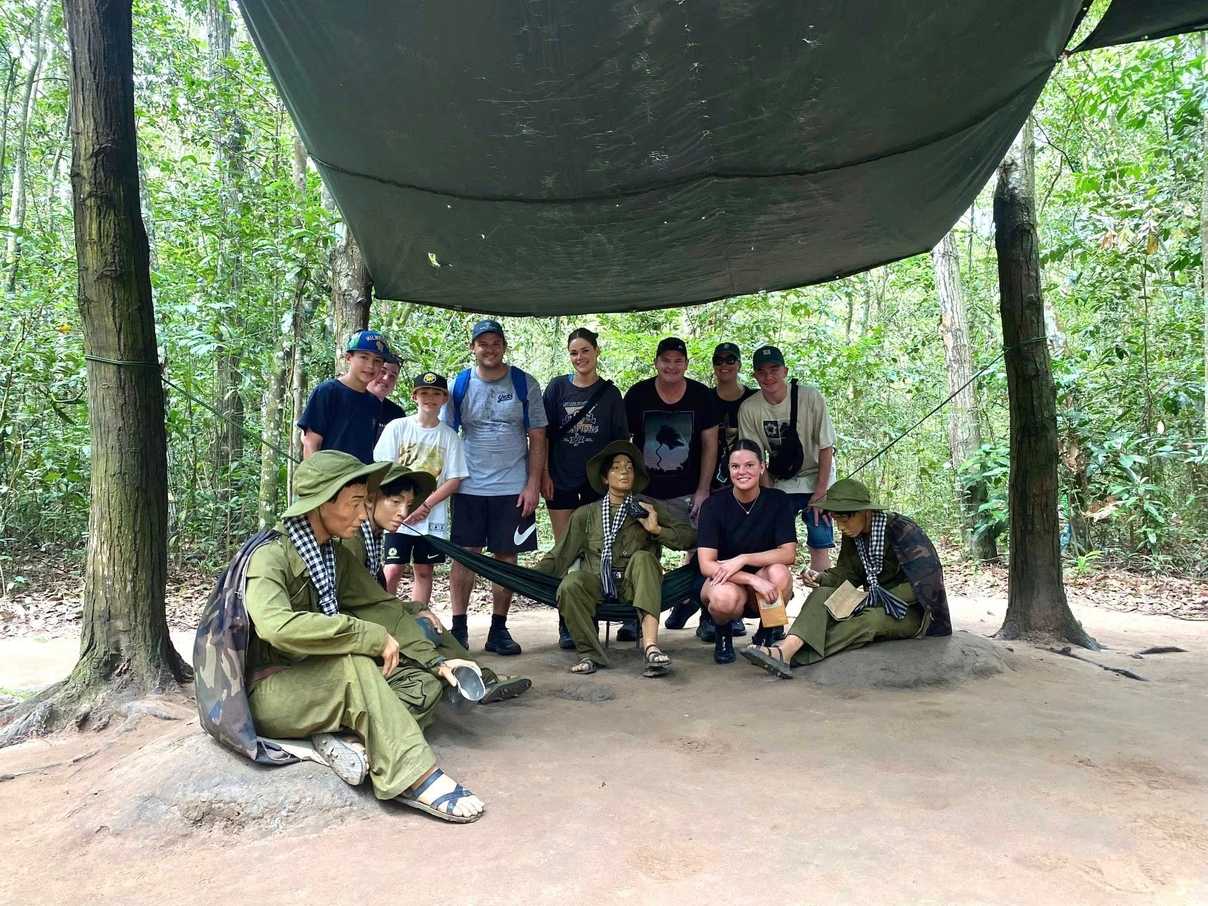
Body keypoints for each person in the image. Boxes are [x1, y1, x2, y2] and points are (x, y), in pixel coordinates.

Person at [243, 450, 486, 822]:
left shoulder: (333, 556)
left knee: (422, 686)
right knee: (354, 664)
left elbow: (382, 607)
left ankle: (351, 743)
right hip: (275, 692)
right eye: (355, 503)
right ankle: (414, 777)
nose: (362, 513)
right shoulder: (269, 557)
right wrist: (364, 635)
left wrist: (435, 662)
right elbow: (277, 627)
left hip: (324, 682)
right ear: (321, 502)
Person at [344, 462, 532, 705]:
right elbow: (368, 604)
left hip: (369, 620)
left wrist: (417, 608)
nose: (403, 512)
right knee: (423, 630)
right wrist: (412, 612)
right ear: (370, 500)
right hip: (358, 631)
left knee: (432, 624)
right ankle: (466, 679)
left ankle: (478, 678)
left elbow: (374, 600)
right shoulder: (353, 541)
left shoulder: (371, 536)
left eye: (408, 505)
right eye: (395, 502)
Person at [741, 478, 953, 679]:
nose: (841, 526)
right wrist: (821, 578)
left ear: (866, 512)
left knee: (870, 619)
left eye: (845, 519)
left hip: (910, 610)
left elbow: (927, 586)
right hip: (871, 598)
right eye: (836, 520)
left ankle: (795, 656)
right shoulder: (855, 533)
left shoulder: (903, 531)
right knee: (823, 594)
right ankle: (785, 651)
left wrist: (869, 598)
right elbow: (848, 574)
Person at [535, 440, 695, 677]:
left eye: (629, 467)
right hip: (598, 586)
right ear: (604, 478)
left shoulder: (647, 507)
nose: (624, 472)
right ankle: (589, 654)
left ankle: (651, 648)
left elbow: (690, 538)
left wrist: (656, 530)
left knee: (643, 558)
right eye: (617, 467)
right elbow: (559, 556)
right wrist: (524, 578)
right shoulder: (585, 515)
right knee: (571, 583)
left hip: (636, 587)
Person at [444, 319, 548, 656]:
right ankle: (458, 629)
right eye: (482, 343)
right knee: (465, 556)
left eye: (495, 342)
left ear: (504, 346)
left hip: (512, 487)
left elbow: (538, 437)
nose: (489, 349)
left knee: (506, 557)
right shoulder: (459, 384)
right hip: (469, 485)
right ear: (473, 347)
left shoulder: (523, 383)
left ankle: (498, 629)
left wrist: (533, 485)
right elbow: (445, 436)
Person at [623, 336, 719, 642]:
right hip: (645, 491)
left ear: (686, 365)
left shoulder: (701, 396)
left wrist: (703, 490)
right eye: (666, 360)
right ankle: (634, 617)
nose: (671, 366)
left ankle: (707, 614)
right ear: (656, 363)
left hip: (688, 491)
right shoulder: (638, 395)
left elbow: (710, 444)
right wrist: (624, 487)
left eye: (678, 361)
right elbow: (623, 443)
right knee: (639, 553)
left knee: (700, 551)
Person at [541, 327, 628, 650]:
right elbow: (544, 436)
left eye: (585, 351)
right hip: (560, 480)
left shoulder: (610, 394)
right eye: (574, 352)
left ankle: (588, 616)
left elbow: (620, 443)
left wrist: (616, 484)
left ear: (596, 352)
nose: (580, 358)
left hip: (596, 486)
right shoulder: (557, 389)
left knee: (594, 551)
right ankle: (566, 622)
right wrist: (543, 474)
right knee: (565, 550)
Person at [738, 344, 837, 573]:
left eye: (774, 369)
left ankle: (820, 585)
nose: (768, 376)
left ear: (785, 371)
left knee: (818, 527)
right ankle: (780, 591)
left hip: (817, 473)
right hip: (781, 477)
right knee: (774, 535)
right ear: (755, 376)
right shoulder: (750, 408)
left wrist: (821, 493)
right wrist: (768, 494)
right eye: (761, 372)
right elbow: (754, 457)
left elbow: (826, 447)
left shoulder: (810, 397)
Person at [696, 440, 797, 664]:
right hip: (726, 581)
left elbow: (788, 553)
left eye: (749, 465)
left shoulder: (777, 501)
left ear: (762, 467)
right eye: (735, 466)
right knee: (724, 599)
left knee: (779, 572)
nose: (742, 472)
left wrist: (744, 559)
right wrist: (751, 579)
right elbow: (707, 564)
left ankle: (766, 632)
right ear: (729, 470)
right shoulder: (713, 505)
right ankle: (724, 634)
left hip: (764, 582)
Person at [374, 372, 467, 601]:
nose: (430, 398)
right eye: (424, 392)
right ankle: (388, 619)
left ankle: (419, 622)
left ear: (444, 399)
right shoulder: (398, 427)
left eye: (437, 393)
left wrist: (424, 505)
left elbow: (454, 479)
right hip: (397, 514)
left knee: (424, 570)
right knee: (393, 568)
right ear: (414, 396)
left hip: (432, 515)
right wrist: (406, 506)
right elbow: (384, 469)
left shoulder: (449, 436)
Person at [298, 329, 392, 463]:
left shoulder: (374, 403)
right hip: (329, 477)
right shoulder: (327, 391)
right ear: (349, 358)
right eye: (364, 357)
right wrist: (316, 480)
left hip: (359, 479)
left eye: (377, 360)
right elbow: (310, 442)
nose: (370, 365)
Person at [368, 350, 407, 441]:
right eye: (382, 372)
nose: (386, 378)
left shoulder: (397, 413)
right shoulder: (349, 401)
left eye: (392, 376)